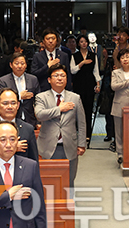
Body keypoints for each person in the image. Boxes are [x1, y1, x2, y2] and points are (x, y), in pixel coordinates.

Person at [35, 64, 86, 192]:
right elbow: (39, 115)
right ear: (49, 79)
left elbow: (81, 123)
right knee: (48, 180)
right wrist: (59, 109)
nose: (59, 78)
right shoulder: (41, 97)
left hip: (69, 145)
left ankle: (69, 207)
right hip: (47, 146)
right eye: (56, 76)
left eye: (63, 76)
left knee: (69, 180)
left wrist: (81, 144)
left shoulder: (75, 97)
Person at [0, 88, 39, 162]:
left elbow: (34, 160)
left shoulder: (28, 128)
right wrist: (13, 148)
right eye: (5, 103)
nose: (10, 107)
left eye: (13, 103)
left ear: (18, 105)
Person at [70, 35, 102, 142]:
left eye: (85, 41)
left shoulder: (93, 55)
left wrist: (98, 85)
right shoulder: (75, 55)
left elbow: (96, 71)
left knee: (88, 109)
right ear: (78, 44)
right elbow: (72, 70)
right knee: (79, 109)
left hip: (89, 83)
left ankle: (88, 133)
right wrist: (82, 63)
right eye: (81, 41)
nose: (84, 43)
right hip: (79, 83)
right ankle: (79, 132)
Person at [0, 52, 40, 127]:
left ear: (26, 65)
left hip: (30, 120)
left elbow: (38, 101)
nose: (20, 66)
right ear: (11, 65)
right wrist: (19, 96)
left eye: (22, 63)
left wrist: (38, 121)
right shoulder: (3, 80)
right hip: (11, 119)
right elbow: (1, 99)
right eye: (16, 63)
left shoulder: (33, 79)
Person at [32, 28, 73, 92]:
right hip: (43, 90)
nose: (51, 41)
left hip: (61, 90)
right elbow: (34, 75)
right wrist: (47, 66)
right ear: (43, 41)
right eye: (48, 39)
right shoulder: (37, 56)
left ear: (57, 41)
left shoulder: (63, 55)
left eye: (53, 38)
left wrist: (69, 90)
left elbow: (68, 75)